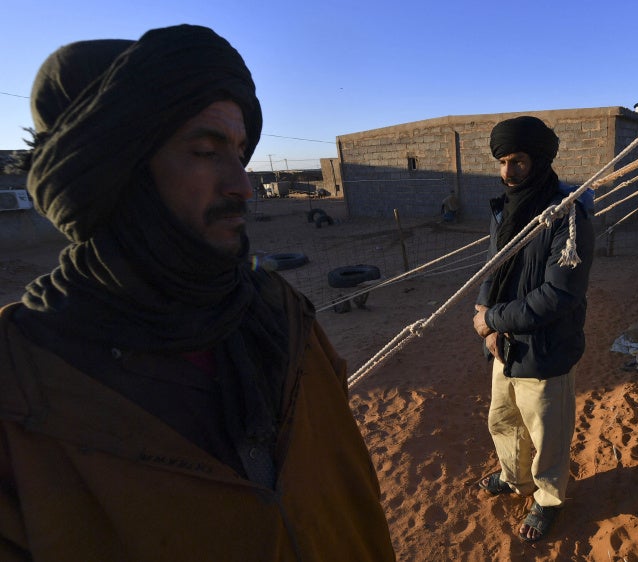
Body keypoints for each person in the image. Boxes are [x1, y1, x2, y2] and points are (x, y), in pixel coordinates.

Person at [0, 25, 395, 561]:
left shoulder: (278, 312)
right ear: (118, 171)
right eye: (206, 151)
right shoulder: (22, 390)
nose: (242, 185)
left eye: (240, 151)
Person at [472, 116, 595, 543]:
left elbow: (558, 297)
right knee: (503, 419)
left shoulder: (568, 215)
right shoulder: (505, 209)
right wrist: (485, 315)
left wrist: (492, 320)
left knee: (547, 432)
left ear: (539, 160)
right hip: (503, 344)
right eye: (502, 162)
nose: (508, 172)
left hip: (546, 348)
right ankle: (514, 478)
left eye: (518, 161)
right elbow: (492, 266)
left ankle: (546, 499)